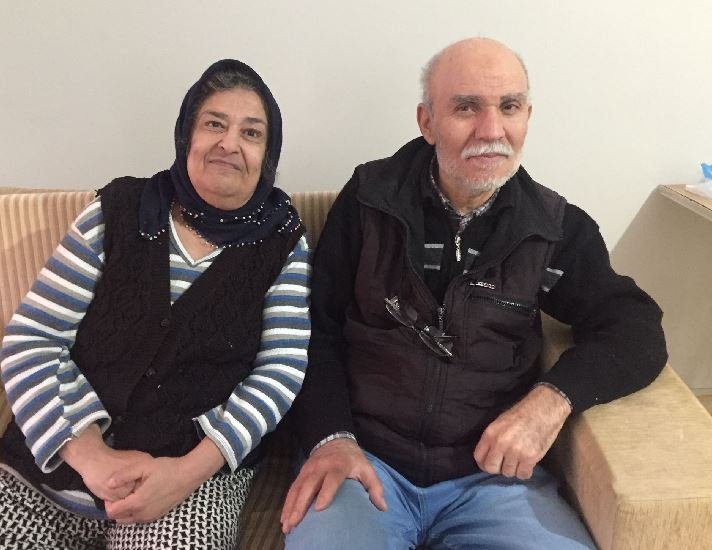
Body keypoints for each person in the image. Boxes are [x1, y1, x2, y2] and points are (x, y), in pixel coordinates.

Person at [280, 38, 666, 549]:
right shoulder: (369, 202)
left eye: (509, 106)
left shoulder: (554, 229)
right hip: (364, 465)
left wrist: (551, 401)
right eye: (466, 107)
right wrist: (331, 438)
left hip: (493, 480)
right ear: (427, 121)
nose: (491, 130)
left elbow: (635, 328)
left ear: (528, 116)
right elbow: (314, 330)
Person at [0, 59, 310, 549]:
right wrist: (90, 455)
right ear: (187, 135)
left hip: (189, 481)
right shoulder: (120, 210)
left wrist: (187, 472)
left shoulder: (281, 240)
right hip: (49, 469)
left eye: (251, 133)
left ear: (267, 154)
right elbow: (31, 339)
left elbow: (281, 370)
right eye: (214, 124)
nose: (229, 143)